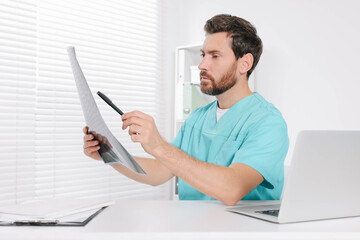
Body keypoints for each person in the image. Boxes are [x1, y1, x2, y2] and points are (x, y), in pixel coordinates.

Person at [83, 14, 289, 206]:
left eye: (215, 56)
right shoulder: (198, 118)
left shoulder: (267, 122)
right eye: (203, 55)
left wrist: (159, 146)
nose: (201, 65)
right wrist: (108, 155)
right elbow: (161, 171)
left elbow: (232, 189)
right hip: (192, 227)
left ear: (245, 63)